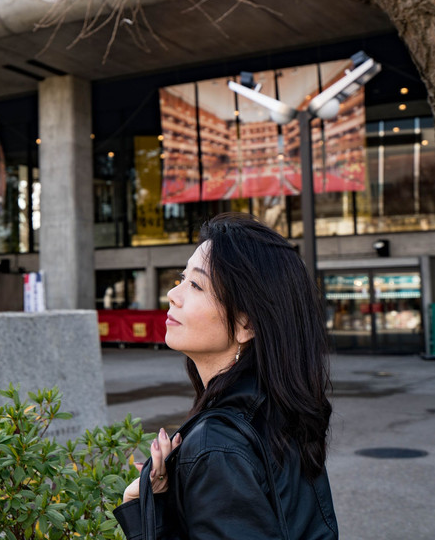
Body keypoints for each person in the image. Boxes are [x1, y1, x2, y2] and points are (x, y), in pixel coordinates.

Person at [114, 213, 338, 540]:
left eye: (196, 284)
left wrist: (140, 513)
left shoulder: (218, 445)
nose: (173, 295)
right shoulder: (275, 408)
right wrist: (155, 506)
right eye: (181, 278)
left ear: (247, 324)